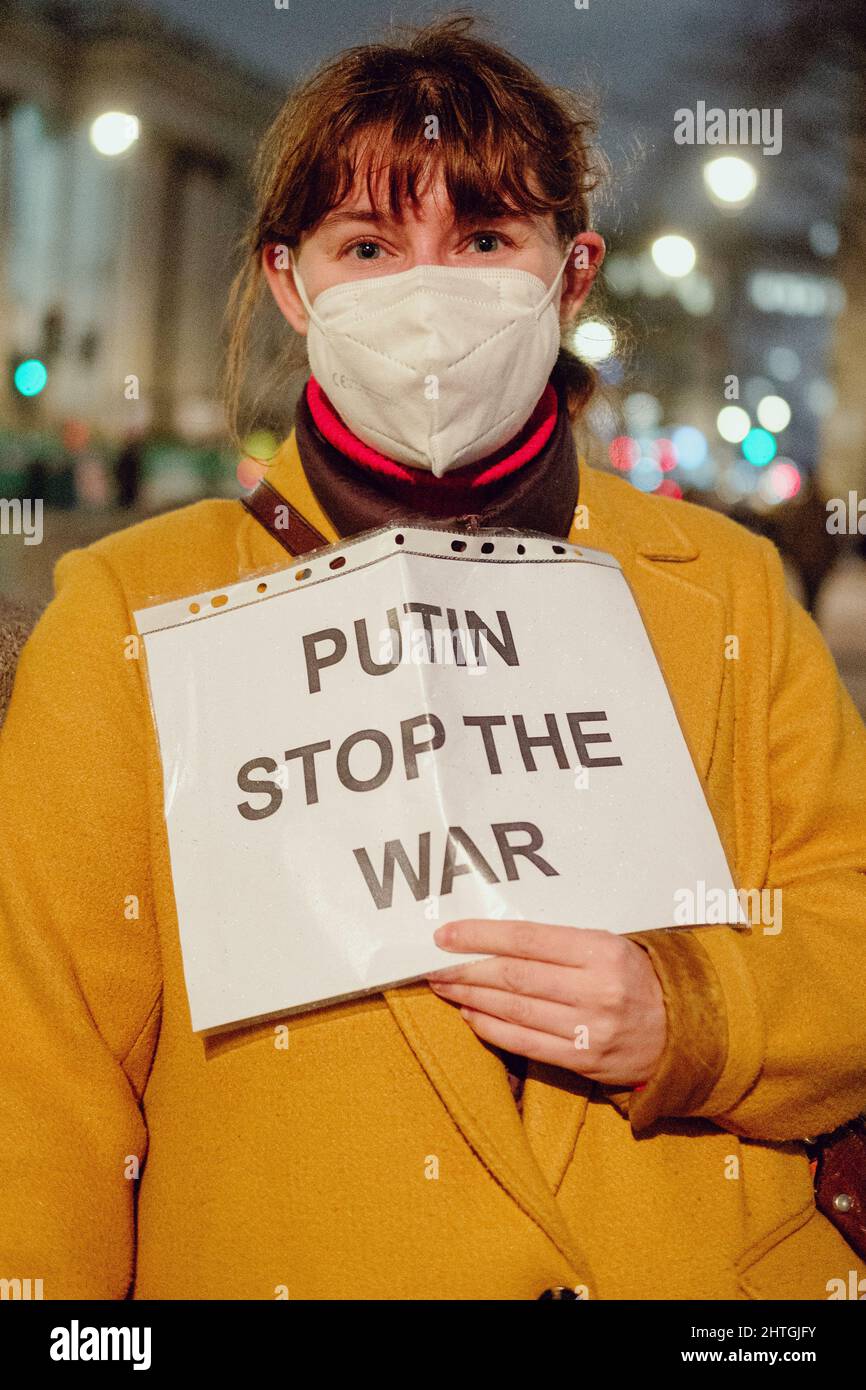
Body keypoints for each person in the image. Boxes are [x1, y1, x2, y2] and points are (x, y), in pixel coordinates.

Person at [2, 14, 866, 1302]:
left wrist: (691, 1011)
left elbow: (845, 912)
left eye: (481, 239)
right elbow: (48, 1079)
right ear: (291, 283)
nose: (427, 293)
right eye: (368, 246)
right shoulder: (134, 611)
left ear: (571, 275)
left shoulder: (727, 585)